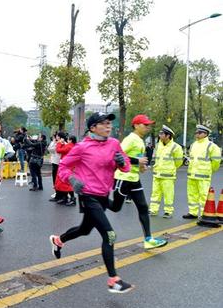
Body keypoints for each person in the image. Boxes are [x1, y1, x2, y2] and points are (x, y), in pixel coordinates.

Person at [49, 112, 134, 293]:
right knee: (109, 235)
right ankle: (113, 280)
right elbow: (63, 167)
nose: (109, 126)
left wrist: (122, 162)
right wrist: (71, 180)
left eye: (110, 123)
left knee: (84, 230)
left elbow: (126, 165)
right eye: (104, 123)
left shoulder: (114, 144)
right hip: (88, 195)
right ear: (93, 128)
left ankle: (58, 240)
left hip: (104, 194)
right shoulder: (82, 147)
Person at [108, 114, 167, 250]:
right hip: (123, 178)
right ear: (136, 125)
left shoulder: (140, 140)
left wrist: (141, 167)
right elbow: (116, 155)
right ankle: (97, 198)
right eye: (145, 125)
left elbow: (138, 159)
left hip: (134, 179)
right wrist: (137, 161)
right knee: (116, 207)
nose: (148, 127)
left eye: (148, 125)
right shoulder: (130, 139)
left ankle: (148, 239)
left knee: (143, 207)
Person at [182, 125, 221, 221]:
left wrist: (209, 170)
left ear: (205, 134)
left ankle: (205, 213)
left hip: (203, 176)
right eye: (196, 132)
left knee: (204, 195)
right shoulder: (193, 144)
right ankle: (193, 212)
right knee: (192, 195)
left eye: (199, 132)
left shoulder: (211, 146)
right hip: (192, 175)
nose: (197, 134)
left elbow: (216, 162)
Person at [149, 125, 183, 218]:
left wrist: (171, 168)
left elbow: (178, 162)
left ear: (168, 136)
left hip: (168, 175)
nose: (159, 135)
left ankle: (168, 211)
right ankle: (153, 210)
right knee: (155, 193)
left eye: (162, 133)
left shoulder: (176, 147)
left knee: (168, 194)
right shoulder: (158, 145)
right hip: (157, 174)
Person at [55, 135, 77, 205]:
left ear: (70, 140)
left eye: (68, 139)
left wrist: (59, 143)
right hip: (70, 166)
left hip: (66, 167)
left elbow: (58, 150)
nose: (67, 140)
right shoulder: (73, 146)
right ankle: (65, 198)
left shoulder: (69, 146)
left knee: (66, 183)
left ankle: (72, 199)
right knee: (64, 183)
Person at [48, 132, 62, 201]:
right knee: (55, 179)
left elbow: (52, 149)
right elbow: (49, 149)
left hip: (58, 162)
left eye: (56, 136)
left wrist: (54, 142)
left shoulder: (61, 143)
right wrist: (53, 142)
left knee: (57, 179)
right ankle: (57, 192)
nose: (55, 137)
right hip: (55, 162)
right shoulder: (56, 143)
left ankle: (59, 193)